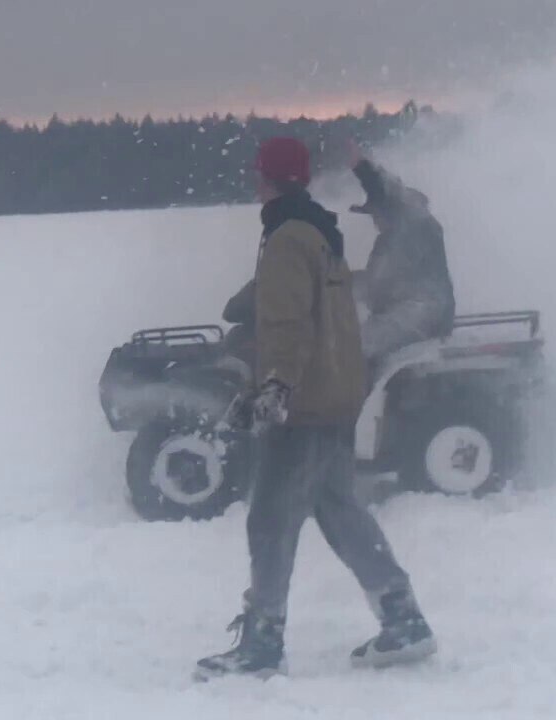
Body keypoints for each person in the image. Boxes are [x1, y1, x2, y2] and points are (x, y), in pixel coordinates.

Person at [195, 137, 437, 681]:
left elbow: (286, 323)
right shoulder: (321, 233)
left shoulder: (285, 238)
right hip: (334, 394)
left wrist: (275, 386)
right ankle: (404, 619)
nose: (252, 181)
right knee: (340, 509)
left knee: (270, 520)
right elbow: (326, 320)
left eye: (257, 174)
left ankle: (262, 644)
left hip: (303, 404)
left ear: (271, 179)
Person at [347, 145, 456, 364]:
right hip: (407, 314)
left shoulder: (417, 224)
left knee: (352, 348)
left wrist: (365, 171)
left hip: (422, 313)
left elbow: (393, 191)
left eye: (375, 213)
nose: (374, 220)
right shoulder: (388, 242)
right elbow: (374, 283)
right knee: (349, 341)